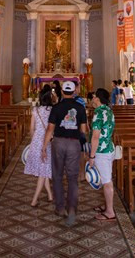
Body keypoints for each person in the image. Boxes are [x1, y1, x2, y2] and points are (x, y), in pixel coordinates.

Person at [42, 80, 88, 227]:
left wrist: (44, 147)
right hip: (74, 143)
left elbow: (50, 129)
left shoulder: (56, 107)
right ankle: (72, 208)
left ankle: (60, 207)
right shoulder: (80, 107)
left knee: (57, 175)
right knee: (73, 177)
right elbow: (83, 130)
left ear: (62, 91)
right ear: (74, 92)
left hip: (59, 143)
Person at [88, 89, 115, 221]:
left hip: (101, 152)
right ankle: (107, 205)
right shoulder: (108, 110)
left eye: (94, 97)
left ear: (98, 99)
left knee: (106, 181)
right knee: (106, 178)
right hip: (109, 148)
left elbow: (95, 137)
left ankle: (110, 212)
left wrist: (92, 156)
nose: (92, 99)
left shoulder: (98, 113)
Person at [24, 90, 54, 207]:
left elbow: (31, 128)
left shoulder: (35, 110)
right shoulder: (52, 110)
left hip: (36, 141)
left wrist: (33, 141)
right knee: (43, 170)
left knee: (43, 169)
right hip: (47, 141)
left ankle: (50, 195)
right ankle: (34, 200)